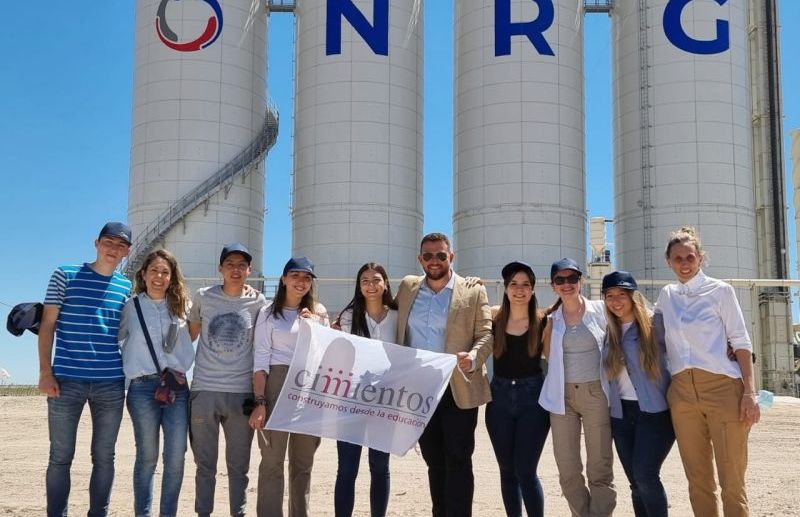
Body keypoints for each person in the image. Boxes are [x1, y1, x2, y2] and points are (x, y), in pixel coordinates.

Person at [655, 226, 759, 517]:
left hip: (723, 389)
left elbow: (741, 341)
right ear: (668, 262)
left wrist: (749, 393)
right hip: (682, 394)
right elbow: (651, 332)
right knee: (697, 480)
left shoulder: (720, 291)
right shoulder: (667, 296)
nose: (684, 263)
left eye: (690, 257)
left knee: (732, 480)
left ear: (700, 258)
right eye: (678, 258)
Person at [37, 221, 133, 516]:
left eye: (120, 245)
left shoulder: (125, 286)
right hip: (66, 380)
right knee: (60, 457)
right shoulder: (65, 274)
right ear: (96, 243)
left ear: (127, 252)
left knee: (104, 457)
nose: (113, 249)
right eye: (108, 242)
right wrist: (45, 372)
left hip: (111, 382)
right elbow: (47, 325)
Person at [395, 232, 493, 517]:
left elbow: (486, 333)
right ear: (420, 259)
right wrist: (340, 322)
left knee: (458, 458)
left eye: (440, 255)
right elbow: (378, 309)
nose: (434, 261)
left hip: (457, 386)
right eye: (428, 256)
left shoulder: (473, 290)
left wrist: (473, 357)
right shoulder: (408, 287)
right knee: (434, 460)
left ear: (451, 256)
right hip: (420, 389)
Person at [188, 243, 266, 517]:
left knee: (238, 466)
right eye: (230, 264)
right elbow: (189, 336)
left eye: (241, 265)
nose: (236, 270)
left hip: (241, 394)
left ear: (249, 270)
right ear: (220, 268)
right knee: (204, 465)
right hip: (204, 391)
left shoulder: (258, 302)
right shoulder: (203, 297)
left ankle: (238, 513)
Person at [250, 256, 330, 517]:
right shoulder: (267, 313)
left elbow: (326, 355)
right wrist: (260, 402)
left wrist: (314, 327)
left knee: (303, 463)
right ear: (283, 279)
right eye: (295, 275)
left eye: (307, 277)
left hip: (308, 384)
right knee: (272, 461)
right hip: (276, 382)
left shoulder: (319, 312)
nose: (301, 282)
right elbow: (260, 361)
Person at [119, 249, 195, 517]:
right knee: (147, 457)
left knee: (175, 457)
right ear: (143, 274)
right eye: (154, 271)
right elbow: (110, 335)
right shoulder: (131, 307)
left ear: (172, 277)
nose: (159, 277)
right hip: (141, 387)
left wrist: (250, 292)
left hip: (176, 388)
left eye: (165, 272)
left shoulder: (183, 306)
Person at [539, 258, 615, 517]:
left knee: (600, 465)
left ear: (581, 281)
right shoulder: (550, 319)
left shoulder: (602, 310)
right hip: (562, 396)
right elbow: (547, 354)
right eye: (560, 280)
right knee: (568, 467)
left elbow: (637, 319)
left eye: (572, 278)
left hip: (596, 393)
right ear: (553, 286)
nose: (567, 284)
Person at [602, 271, 674, 517]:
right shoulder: (609, 331)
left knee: (645, 475)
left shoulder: (655, 324)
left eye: (621, 294)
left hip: (654, 413)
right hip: (621, 415)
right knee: (635, 482)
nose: (615, 301)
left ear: (633, 296)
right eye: (609, 296)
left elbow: (687, 343)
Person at [485, 261, 550, 517]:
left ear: (533, 290)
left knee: (526, 471)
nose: (519, 290)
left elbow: (555, 361)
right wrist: (472, 284)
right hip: (498, 399)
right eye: (513, 284)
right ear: (505, 288)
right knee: (507, 471)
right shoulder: (493, 316)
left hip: (533, 400)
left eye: (525, 285)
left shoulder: (543, 321)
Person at [333, 262, 397, 517]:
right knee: (347, 469)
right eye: (365, 281)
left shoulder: (398, 315)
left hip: (386, 401)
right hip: (351, 401)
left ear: (386, 284)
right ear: (359, 287)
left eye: (376, 280)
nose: (371, 285)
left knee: (380, 467)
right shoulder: (348, 317)